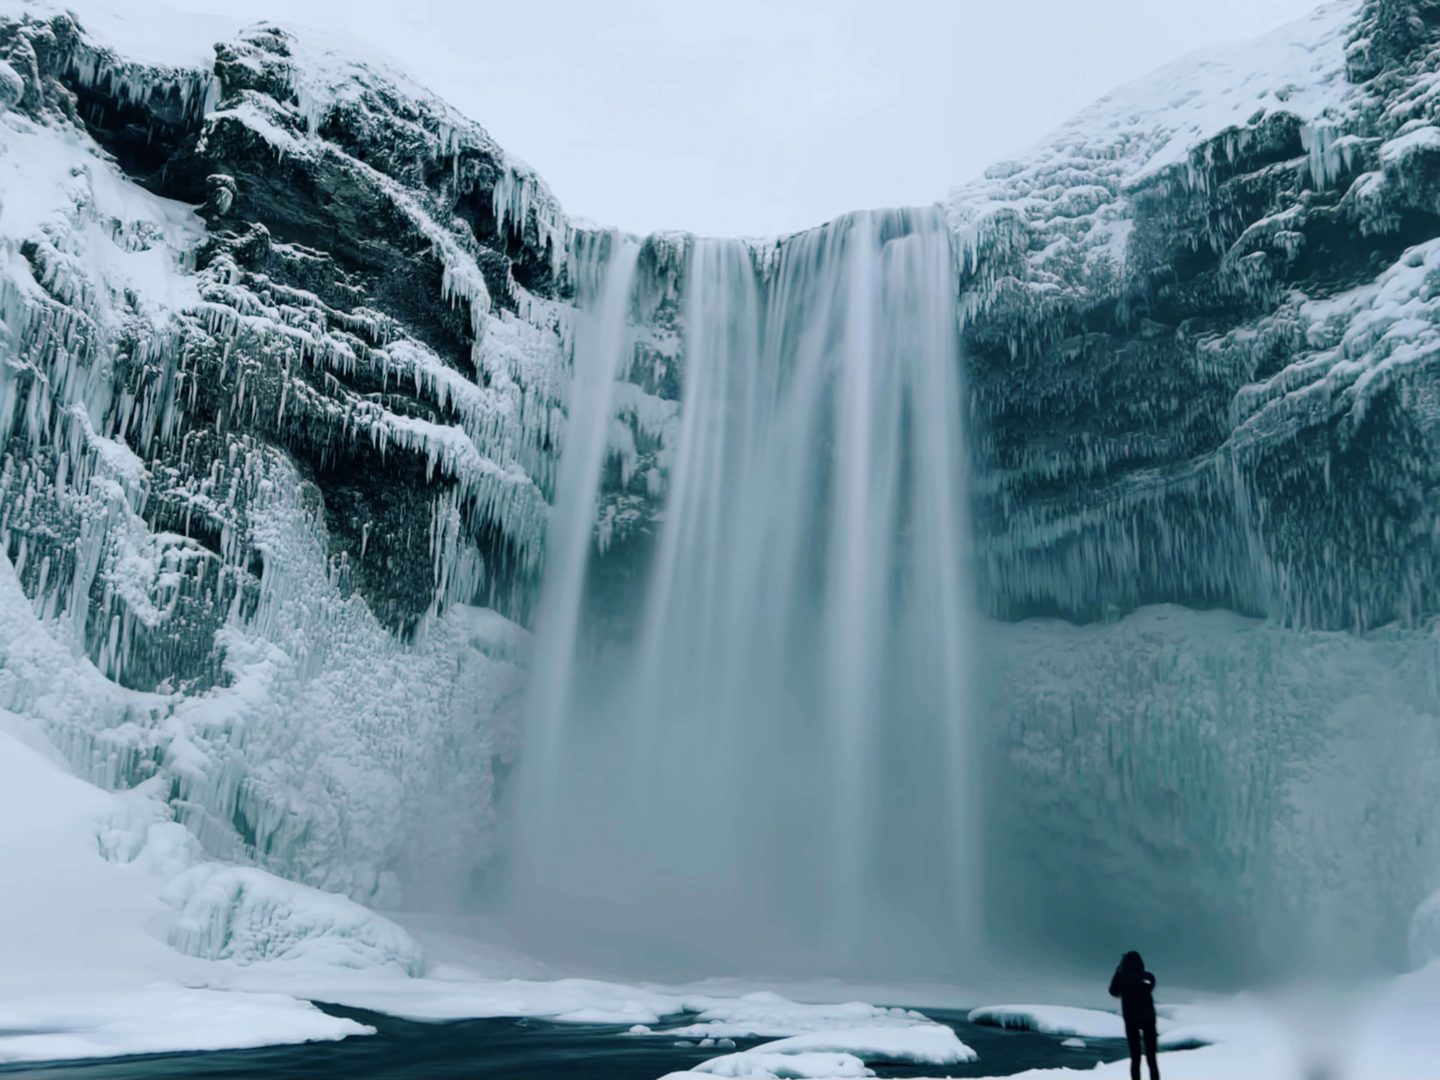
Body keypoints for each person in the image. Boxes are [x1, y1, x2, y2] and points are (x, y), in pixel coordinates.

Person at [1109, 950, 1160, 1080]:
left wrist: (1119, 970)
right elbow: (1149, 986)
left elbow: (1113, 992)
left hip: (1131, 1020)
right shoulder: (1149, 977)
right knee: (1152, 1058)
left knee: (1135, 1058)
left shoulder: (1121, 977)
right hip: (1149, 1019)